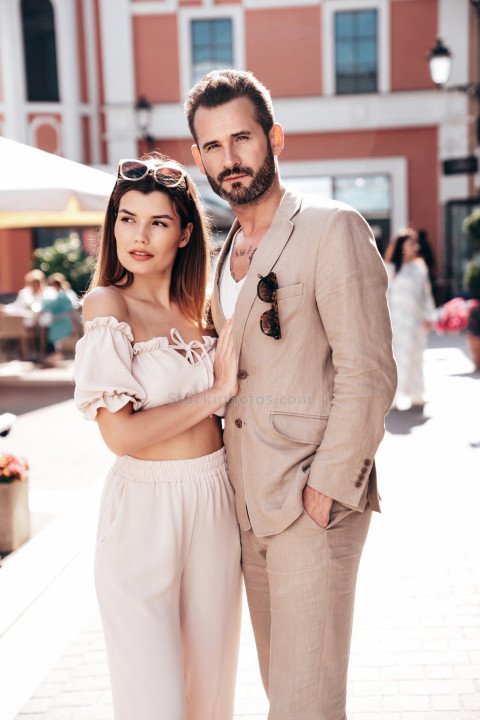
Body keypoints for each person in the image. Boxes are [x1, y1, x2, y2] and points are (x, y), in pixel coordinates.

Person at [185, 69, 397, 720]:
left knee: (307, 704)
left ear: (274, 137)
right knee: (288, 694)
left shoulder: (332, 228)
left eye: (242, 138)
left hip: (313, 503)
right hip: (248, 510)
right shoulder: (225, 253)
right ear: (198, 158)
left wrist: (328, 487)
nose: (230, 159)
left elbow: (369, 370)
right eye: (213, 147)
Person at [73, 154, 242, 719]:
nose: (138, 235)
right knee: (155, 701)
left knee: (211, 691)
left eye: (158, 222)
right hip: (144, 507)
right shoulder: (107, 305)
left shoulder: (203, 313)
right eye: (127, 218)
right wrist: (213, 397)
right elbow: (121, 437)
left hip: (215, 498)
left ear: (185, 233)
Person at [384, 228, 435, 411]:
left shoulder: (420, 267)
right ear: (401, 245)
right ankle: (394, 397)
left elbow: (426, 293)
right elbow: (385, 296)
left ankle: (417, 394)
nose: (416, 246)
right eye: (412, 242)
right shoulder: (389, 269)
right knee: (398, 359)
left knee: (417, 357)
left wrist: (429, 316)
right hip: (397, 321)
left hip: (417, 321)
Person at [41, 274, 75, 361]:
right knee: (53, 338)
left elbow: (51, 306)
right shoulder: (58, 295)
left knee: (55, 339)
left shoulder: (63, 295)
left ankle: (55, 354)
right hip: (58, 321)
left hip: (61, 322)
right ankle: (54, 354)